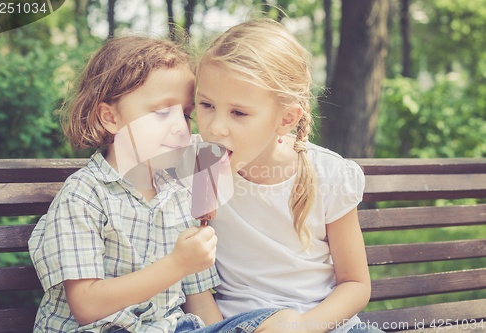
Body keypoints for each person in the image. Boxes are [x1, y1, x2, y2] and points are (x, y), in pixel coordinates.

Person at [28, 36, 305, 333]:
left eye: (185, 115)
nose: (179, 127)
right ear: (110, 117)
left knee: (285, 323)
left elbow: (198, 303)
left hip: (173, 328)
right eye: (162, 112)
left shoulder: (182, 193)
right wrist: (177, 264)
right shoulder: (84, 196)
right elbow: (86, 306)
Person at [191, 19, 383, 333]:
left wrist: (305, 328)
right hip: (239, 325)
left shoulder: (328, 175)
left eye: (238, 112)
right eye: (206, 104)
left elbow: (355, 283)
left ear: (286, 119)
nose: (214, 127)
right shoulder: (198, 166)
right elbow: (193, 286)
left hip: (324, 325)